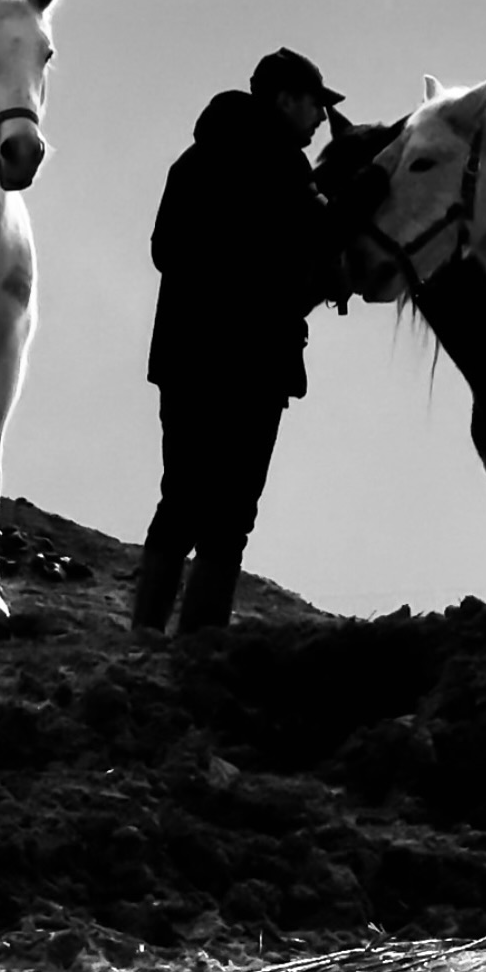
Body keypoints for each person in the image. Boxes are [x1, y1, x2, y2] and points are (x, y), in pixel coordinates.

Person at [132, 47, 349, 635]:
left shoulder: (192, 162)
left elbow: (163, 250)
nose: (321, 119)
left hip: (184, 361)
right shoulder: (286, 172)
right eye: (315, 104)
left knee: (179, 500)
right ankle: (199, 643)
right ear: (284, 100)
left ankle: (146, 634)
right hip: (254, 367)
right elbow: (316, 255)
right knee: (230, 514)